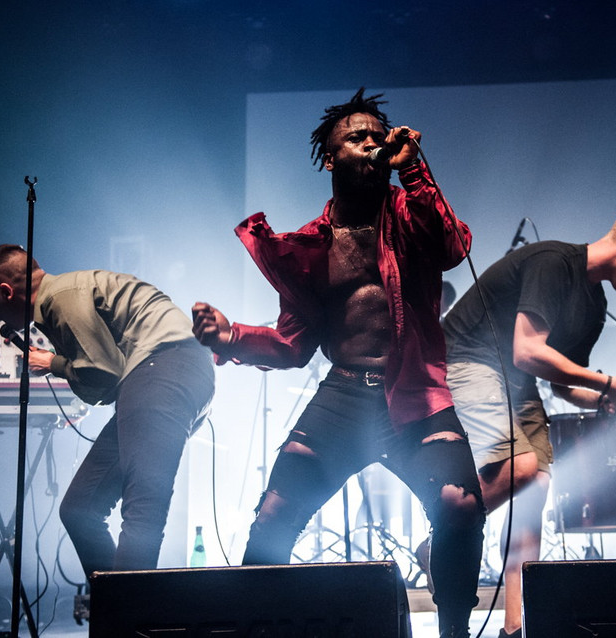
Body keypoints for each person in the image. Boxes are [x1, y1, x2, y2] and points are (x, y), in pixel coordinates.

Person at [192, 89, 484, 638]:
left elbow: (452, 246)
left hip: (416, 394)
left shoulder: (409, 213)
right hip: (345, 394)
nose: (372, 142)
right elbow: (292, 344)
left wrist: (416, 171)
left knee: (460, 507)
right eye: (358, 136)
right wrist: (232, 336)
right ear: (331, 157)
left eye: (379, 135)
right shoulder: (311, 245)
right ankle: (255, 628)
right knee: (274, 515)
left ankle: (454, 634)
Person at [442, 209, 616, 638]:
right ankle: (441, 538)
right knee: (521, 466)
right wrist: (608, 383)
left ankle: (515, 627)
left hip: (518, 383)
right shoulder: (552, 262)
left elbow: (565, 383)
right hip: (466, 361)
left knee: (535, 488)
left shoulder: (596, 305)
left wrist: (605, 399)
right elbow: (527, 352)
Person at [0, 245, 215, 579]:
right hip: (159, 375)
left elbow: (104, 374)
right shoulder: (61, 298)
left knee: (142, 507)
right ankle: (115, 607)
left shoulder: (60, 297)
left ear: (6, 291)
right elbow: (105, 384)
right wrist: (61, 363)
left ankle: (129, 619)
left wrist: (53, 362)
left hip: (165, 368)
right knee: (80, 509)